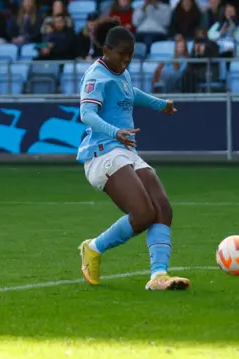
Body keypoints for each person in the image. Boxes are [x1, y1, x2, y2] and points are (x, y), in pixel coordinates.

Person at [77, 17, 190, 291]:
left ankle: (158, 276)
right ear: (106, 51)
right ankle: (93, 248)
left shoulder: (120, 72)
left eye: (130, 56)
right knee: (142, 214)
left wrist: (159, 104)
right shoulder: (96, 76)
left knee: (162, 208)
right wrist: (115, 132)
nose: (126, 61)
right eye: (121, 55)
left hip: (125, 151)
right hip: (102, 154)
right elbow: (86, 114)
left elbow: (131, 93)